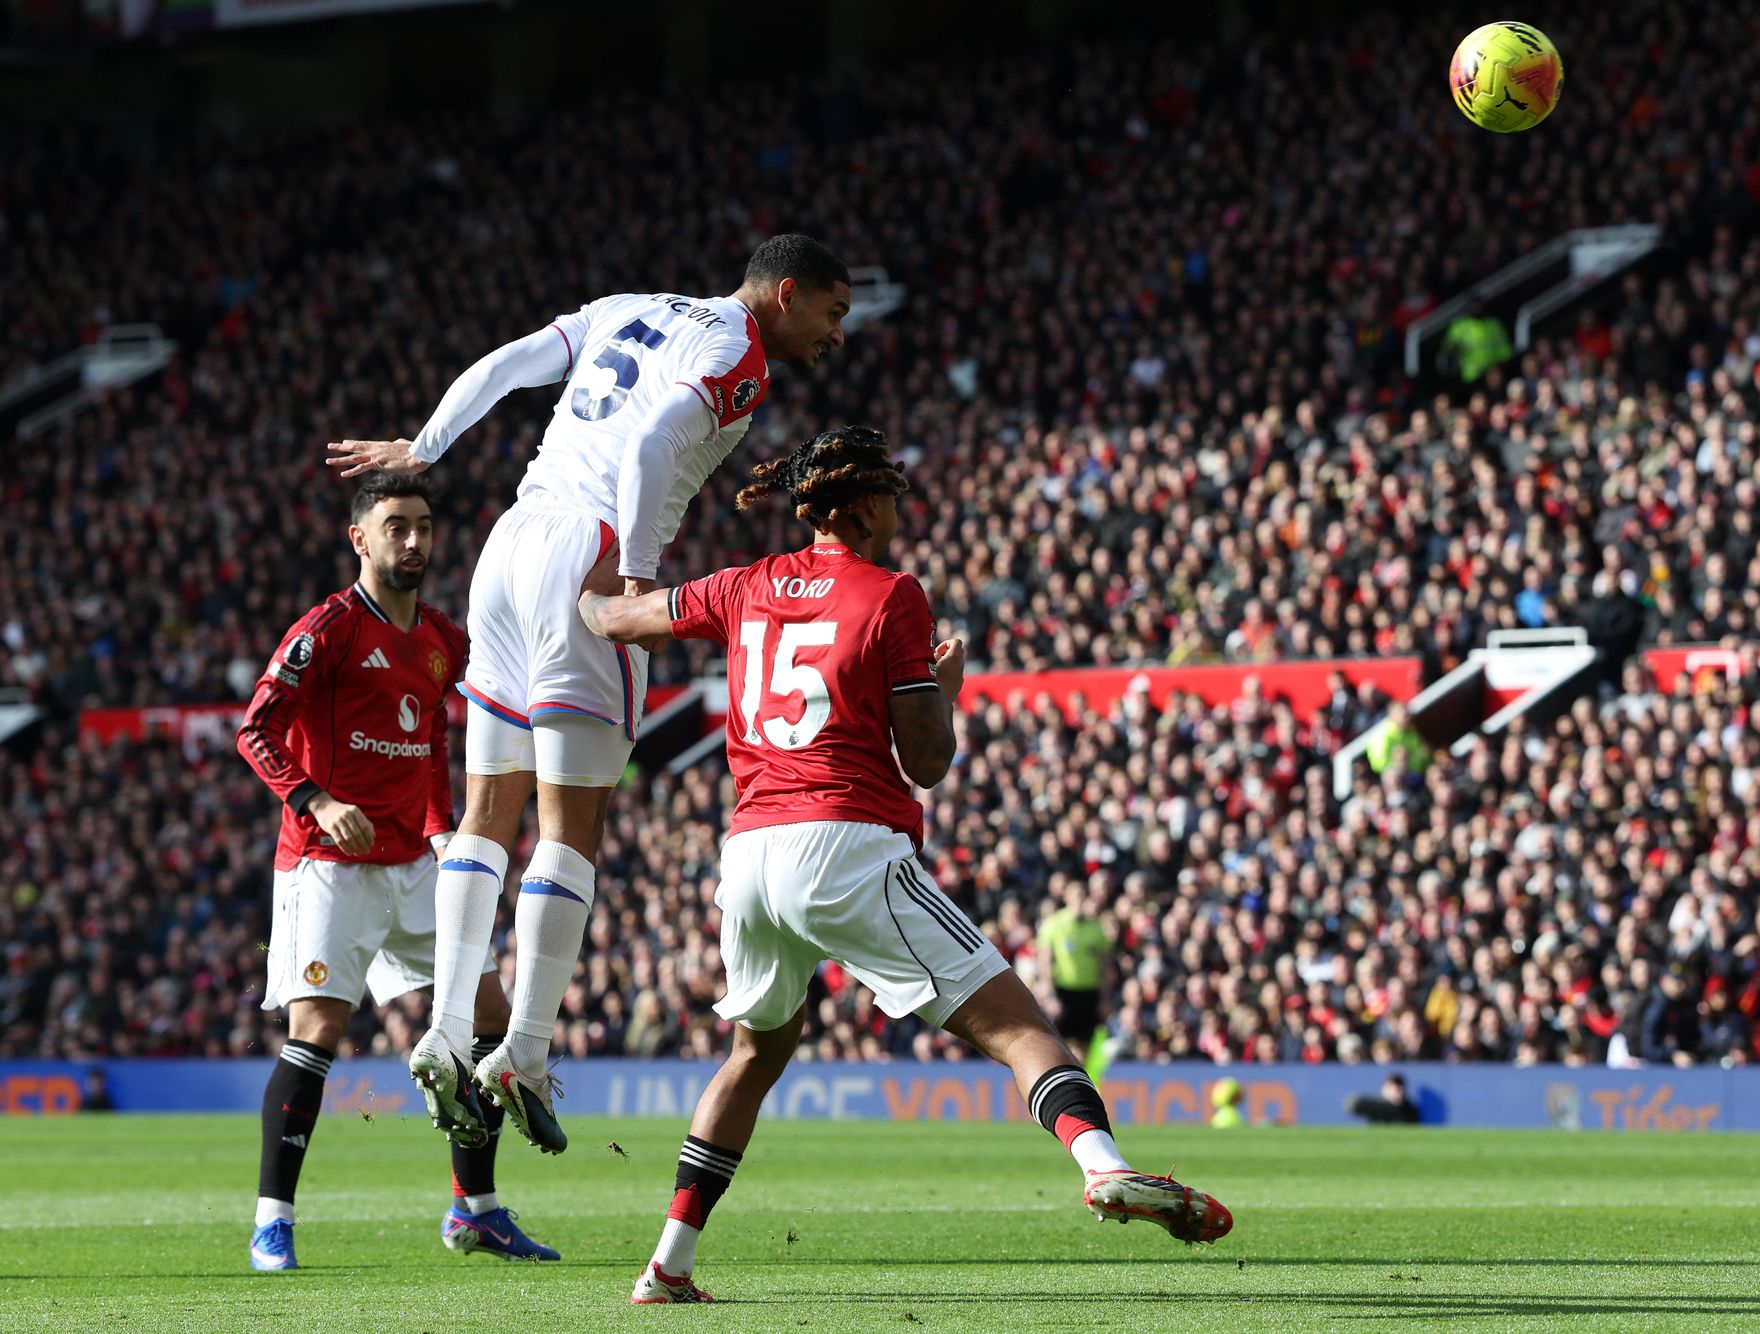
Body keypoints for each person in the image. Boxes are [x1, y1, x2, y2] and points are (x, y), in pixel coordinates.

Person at [576, 426, 1233, 1304]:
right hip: (843, 841)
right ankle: (1105, 1166)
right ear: (860, 506)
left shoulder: (744, 584)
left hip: (748, 856)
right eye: (889, 490)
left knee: (752, 1056)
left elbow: (618, 617)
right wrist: (946, 693)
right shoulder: (892, 596)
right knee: (1020, 1028)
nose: (900, 504)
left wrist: (571, 562)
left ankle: (667, 1264)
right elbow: (924, 761)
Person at [325, 235, 852, 1155]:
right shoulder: (739, 355)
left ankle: (450, 1030)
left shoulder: (624, 304)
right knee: (570, 829)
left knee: (488, 815)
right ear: (787, 293)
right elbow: (652, 441)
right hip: (591, 557)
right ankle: (523, 1050)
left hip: (510, 543)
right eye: (833, 314)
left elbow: (510, 364)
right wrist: (639, 581)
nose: (836, 334)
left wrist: (424, 447)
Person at [235, 475, 556, 1271]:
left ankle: (474, 1209)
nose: (412, 542)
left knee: (490, 1013)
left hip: (417, 863)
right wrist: (315, 797)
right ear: (361, 540)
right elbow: (255, 730)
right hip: (329, 866)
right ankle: (272, 1222)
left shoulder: (444, 639)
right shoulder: (328, 631)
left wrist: (447, 831)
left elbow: (441, 745)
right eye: (395, 528)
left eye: (422, 527)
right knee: (317, 1033)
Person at [1037, 879, 1113, 1065]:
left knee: (1087, 1046)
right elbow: (1045, 963)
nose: (1080, 900)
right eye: (1076, 895)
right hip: (1064, 992)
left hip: (1089, 993)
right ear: (1067, 897)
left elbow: (1104, 966)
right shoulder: (1054, 925)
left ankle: (1083, 1084)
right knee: (1063, 1045)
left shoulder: (1095, 927)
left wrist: (1104, 999)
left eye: (1083, 895)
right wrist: (1051, 995)